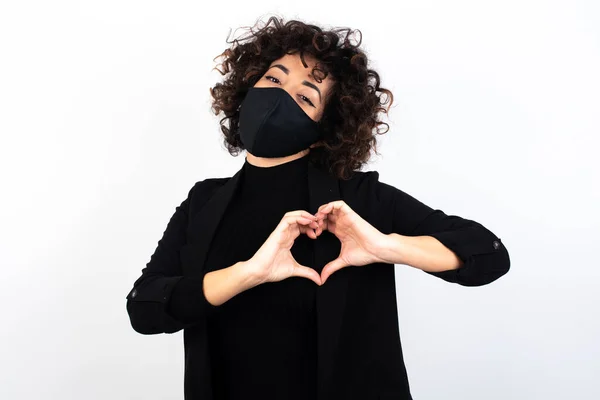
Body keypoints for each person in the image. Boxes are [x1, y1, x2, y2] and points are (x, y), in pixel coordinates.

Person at [125, 16, 510, 400]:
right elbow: (144, 306)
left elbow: (489, 255)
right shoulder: (203, 201)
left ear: (327, 126)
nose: (279, 98)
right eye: (274, 79)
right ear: (248, 86)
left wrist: (385, 247)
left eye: (306, 97)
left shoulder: (359, 201)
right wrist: (247, 274)